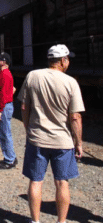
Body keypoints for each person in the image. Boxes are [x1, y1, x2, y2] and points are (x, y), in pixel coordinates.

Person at [18, 44, 84, 223]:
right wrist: (78, 143)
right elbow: (75, 117)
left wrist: (28, 129)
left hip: (37, 139)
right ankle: (61, 221)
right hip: (62, 142)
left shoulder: (33, 76)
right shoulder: (71, 82)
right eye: (68, 59)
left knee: (35, 181)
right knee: (62, 182)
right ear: (63, 61)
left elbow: (24, 106)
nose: (68, 62)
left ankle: (35, 221)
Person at [0, 52, 17, 169]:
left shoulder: (4, 74)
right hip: (4, 106)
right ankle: (11, 157)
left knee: (4, 134)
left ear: (4, 62)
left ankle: (9, 160)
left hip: (3, 107)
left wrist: (0, 110)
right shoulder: (3, 74)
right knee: (5, 133)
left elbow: (3, 94)